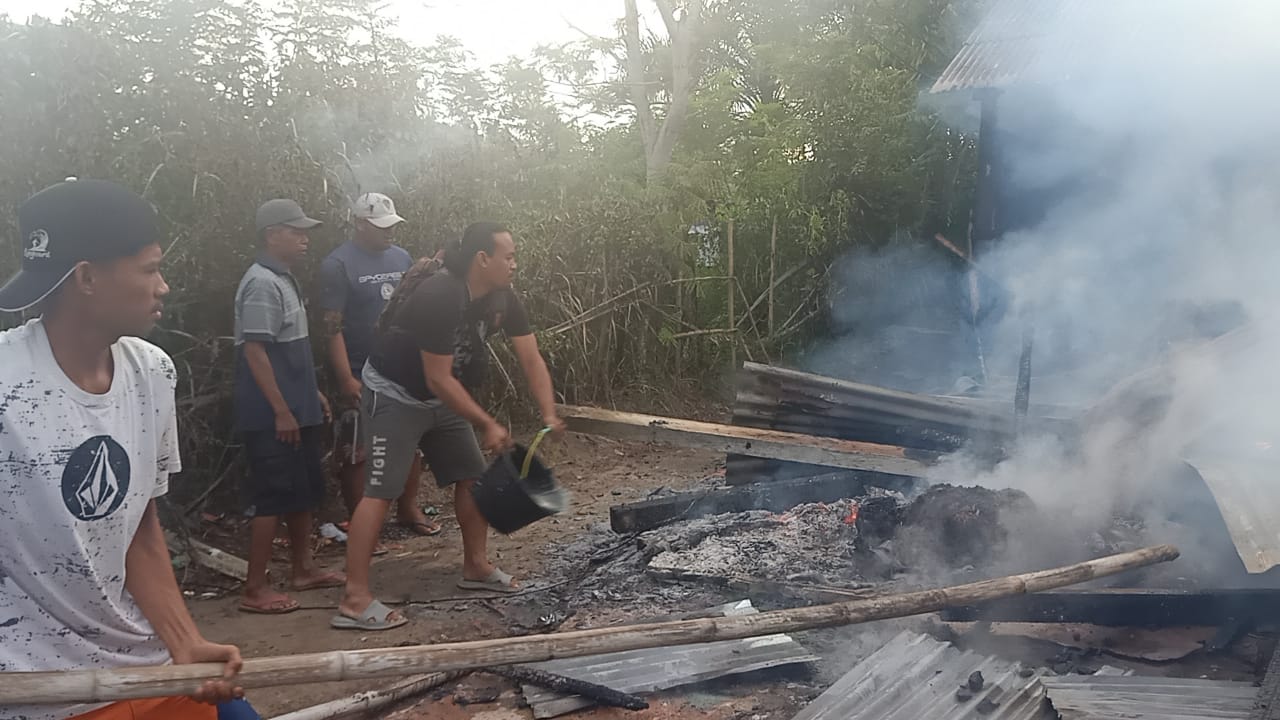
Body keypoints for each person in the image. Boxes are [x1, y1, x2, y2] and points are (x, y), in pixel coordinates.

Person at [0, 178, 246, 719]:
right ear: (87, 277)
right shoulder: (6, 387)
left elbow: (137, 525)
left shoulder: (150, 372)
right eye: (150, 268)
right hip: (40, 696)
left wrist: (184, 641)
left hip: (147, 669)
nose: (163, 286)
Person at [334, 222, 564, 631]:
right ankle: (354, 599)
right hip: (395, 393)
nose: (514, 264)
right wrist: (488, 423)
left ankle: (475, 567)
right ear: (482, 259)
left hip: (442, 396)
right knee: (381, 491)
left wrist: (548, 411)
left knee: (471, 476)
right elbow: (437, 376)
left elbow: (531, 358)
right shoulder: (440, 294)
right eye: (508, 257)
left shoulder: (503, 298)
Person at [233, 198, 344, 615]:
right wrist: (280, 408)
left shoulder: (285, 278)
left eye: (304, 232)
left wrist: (308, 394)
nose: (303, 239)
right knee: (274, 495)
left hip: (296, 407)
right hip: (270, 414)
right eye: (294, 231)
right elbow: (256, 352)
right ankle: (255, 589)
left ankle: (303, 568)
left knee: (302, 490)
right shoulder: (261, 282)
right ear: (270, 234)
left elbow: (288, 351)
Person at [318, 193, 439, 538]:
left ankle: (408, 508)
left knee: (410, 439)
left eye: (392, 226)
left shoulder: (401, 257)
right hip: (358, 369)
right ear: (359, 224)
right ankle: (362, 522)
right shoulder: (337, 265)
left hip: (400, 368)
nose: (390, 232)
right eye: (381, 226)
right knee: (359, 448)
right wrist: (345, 378)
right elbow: (331, 328)